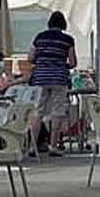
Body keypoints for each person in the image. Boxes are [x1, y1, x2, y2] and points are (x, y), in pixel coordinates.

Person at [29, 10, 77, 155]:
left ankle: (33, 146)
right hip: (58, 78)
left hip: (40, 78)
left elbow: (30, 57)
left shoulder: (39, 37)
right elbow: (73, 62)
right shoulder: (67, 40)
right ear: (63, 24)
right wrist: (62, 65)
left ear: (49, 23)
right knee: (57, 112)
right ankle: (53, 145)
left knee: (38, 112)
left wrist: (43, 62)